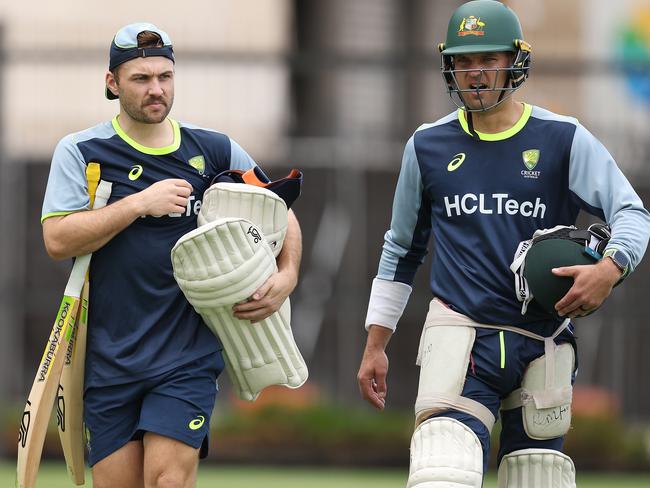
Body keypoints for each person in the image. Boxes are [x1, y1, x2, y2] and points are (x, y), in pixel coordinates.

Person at [356, 1, 650, 487]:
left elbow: (632, 214)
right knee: (441, 473)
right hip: (461, 332)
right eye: (464, 61)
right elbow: (401, 249)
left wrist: (611, 267)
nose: (475, 73)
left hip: (544, 341)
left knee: (537, 477)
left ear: (514, 61)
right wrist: (375, 343)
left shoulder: (562, 138)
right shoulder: (426, 146)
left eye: (488, 59)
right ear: (449, 66)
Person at [41, 22, 302, 488]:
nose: (155, 89)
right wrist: (139, 203)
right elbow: (58, 240)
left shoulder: (214, 148)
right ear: (112, 83)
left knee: (168, 482)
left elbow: (278, 210)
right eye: (141, 79)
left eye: (164, 76)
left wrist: (287, 276)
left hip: (186, 356)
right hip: (110, 358)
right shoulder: (82, 151)